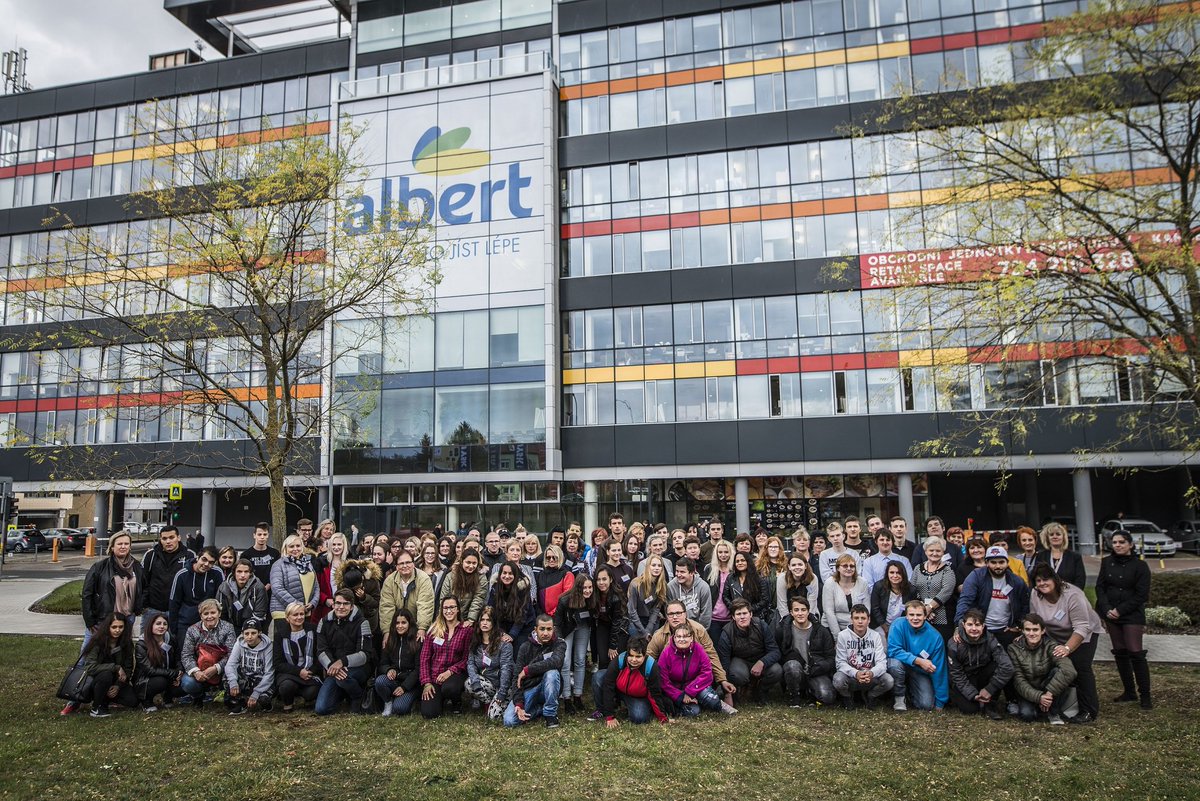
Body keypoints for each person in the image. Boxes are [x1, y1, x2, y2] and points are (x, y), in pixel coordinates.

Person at [1029, 563, 1103, 724]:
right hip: (1055, 634)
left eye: (1046, 579)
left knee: (1080, 667)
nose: (1042, 583)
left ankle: (1089, 710)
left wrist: (1068, 648)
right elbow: (1035, 619)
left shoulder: (1073, 595)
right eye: (1038, 580)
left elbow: (1082, 627)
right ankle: (1057, 706)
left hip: (1084, 634)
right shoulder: (1035, 594)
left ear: (1055, 579)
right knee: (1056, 667)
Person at [1095, 530, 1153, 709]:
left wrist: (1120, 610)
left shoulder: (1140, 566)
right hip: (1110, 613)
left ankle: (1145, 695)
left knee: (1135, 652)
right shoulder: (1106, 563)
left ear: (1130, 544)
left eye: (1121, 542)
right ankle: (1129, 691)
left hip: (1131, 613)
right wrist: (1106, 609)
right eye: (1115, 542)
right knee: (1120, 652)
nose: (1117, 545)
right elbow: (1100, 587)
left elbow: (1142, 594)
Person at [1008, 613, 1078, 724]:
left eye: (1035, 630)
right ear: (1022, 631)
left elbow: (1069, 670)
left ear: (1043, 631)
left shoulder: (1050, 645)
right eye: (1028, 629)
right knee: (1028, 716)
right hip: (1027, 689)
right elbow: (1018, 679)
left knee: (1058, 672)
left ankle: (1053, 712)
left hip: (1047, 687)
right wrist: (1039, 697)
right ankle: (1035, 707)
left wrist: (1048, 694)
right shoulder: (1013, 648)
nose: (1031, 633)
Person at [314, 588, 374, 715]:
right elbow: (321, 650)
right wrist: (331, 666)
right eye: (338, 603)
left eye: (346, 603)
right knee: (321, 709)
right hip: (334, 669)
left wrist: (342, 662)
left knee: (343, 679)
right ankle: (342, 694)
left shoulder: (363, 623)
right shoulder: (324, 622)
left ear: (352, 606)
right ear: (333, 604)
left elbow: (365, 654)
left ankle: (357, 696)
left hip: (358, 668)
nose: (341, 607)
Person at [955, 546, 1030, 648]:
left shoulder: (1017, 581)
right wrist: (959, 625)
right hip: (981, 630)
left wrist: (1019, 626)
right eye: (993, 562)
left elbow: (1025, 606)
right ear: (987, 563)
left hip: (1005, 630)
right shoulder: (976, 576)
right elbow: (965, 600)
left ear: (1007, 562)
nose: (998, 566)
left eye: (1001, 562)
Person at [658, 623, 737, 717]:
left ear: (691, 638)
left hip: (696, 687)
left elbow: (707, 673)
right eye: (678, 636)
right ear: (674, 638)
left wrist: (689, 692)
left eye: (685, 636)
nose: (681, 639)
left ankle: (718, 705)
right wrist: (680, 696)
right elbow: (663, 680)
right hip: (675, 691)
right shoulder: (666, 653)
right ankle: (681, 707)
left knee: (712, 700)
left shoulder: (699, 649)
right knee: (694, 712)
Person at [81, 531, 144, 649]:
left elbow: (143, 588)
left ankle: (117, 668)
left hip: (127, 618)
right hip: (103, 617)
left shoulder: (137, 566)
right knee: (89, 649)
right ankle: (81, 668)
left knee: (121, 649)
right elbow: (87, 594)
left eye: (126, 543)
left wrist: (139, 607)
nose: (123, 546)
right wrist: (89, 620)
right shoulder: (100, 567)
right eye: (119, 544)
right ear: (112, 547)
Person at [947, 608, 1013, 719]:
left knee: (997, 666)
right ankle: (972, 699)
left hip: (983, 676)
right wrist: (973, 695)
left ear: (983, 626)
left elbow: (1008, 666)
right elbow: (957, 674)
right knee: (970, 710)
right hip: (966, 678)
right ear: (963, 625)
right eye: (970, 624)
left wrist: (989, 689)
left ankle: (990, 703)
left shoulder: (990, 639)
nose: (974, 628)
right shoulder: (954, 644)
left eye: (977, 625)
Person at [717, 599, 783, 706]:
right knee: (737, 674)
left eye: (745, 613)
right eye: (738, 614)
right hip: (740, 661)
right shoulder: (727, 632)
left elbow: (775, 651)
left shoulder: (761, 625)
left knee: (777, 670)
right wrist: (727, 693)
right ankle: (741, 689)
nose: (742, 617)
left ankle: (761, 691)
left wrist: (762, 662)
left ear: (751, 614)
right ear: (733, 617)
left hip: (760, 659)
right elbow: (724, 663)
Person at [505, 614, 567, 728]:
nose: (545, 633)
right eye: (542, 629)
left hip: (548, 687)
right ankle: (540, 709)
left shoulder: (560, 643)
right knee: (509, 720)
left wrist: (528, 669)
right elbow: (516, 677)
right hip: (530, 688)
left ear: (553, 629)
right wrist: (519, 703)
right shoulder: (525, 647)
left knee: (552, 673)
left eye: (549, 629)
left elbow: (556, 661)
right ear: (535, 629)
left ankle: (550, 715)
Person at [595, 634, 671, 726]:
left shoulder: (651, 666)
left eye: (638, 656)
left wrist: (662, 717)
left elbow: (655, 694)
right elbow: (608, 687)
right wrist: (610, 716)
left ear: (644, 655)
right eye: (631, 655)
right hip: (618, 689)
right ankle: (602, 710)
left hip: (637, 696)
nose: (634, 659)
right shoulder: (618, 660)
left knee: (639, 718)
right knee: (599, 676)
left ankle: (638, 707)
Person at [887, 600, 949, 711]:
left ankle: (909, 692)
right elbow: (893, 651)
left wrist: (940, 702)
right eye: (911, 615)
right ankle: (899, 697)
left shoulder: (935, 637)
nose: (915, 618)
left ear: (925, 616)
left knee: (926, 705)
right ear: (906, 616)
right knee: (894, 664)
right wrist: (918, 660)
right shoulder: (897, 624)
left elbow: (939, 670)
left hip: (919, 672)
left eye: (919, 615)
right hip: (900, 665)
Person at [775, 596, 836, 707]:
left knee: (827, 696)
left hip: (816, 670)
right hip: (795, 669)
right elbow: (779, 653)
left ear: (808, 612)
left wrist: (820, 667)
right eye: (796, 610)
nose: (800, 613)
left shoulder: (821, 631)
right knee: (792, 666)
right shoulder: (783, 630)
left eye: (803, 610)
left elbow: (831, 658)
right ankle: (794, 696)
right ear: (791, 613)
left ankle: (809, 692)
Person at [418, 596, 472, 718]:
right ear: (441, 610)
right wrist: (426, 683)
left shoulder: (466, 630)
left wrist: (450, 671)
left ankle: (456, 701)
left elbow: (466, 658)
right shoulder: (434, 630)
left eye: (452, 607)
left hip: (455, 674)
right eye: (445, 608)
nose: (449, 611)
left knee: (450, 688)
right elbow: (424, 658)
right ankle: (439, 700)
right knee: (429, 713)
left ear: (458, 609)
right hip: (435, 676)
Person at [833, 604, 894, 709]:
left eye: (863, 618)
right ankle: (847, 697)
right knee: (838, 680)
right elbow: (840, 663)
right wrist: (856, 673)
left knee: (889, 680)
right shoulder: (842, 636)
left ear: (869, 620)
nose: (860, 621)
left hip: (870, 676)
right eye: (856, 618)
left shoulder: (876, 636)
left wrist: (871, 673)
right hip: (851, 676)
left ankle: (871, 696)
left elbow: (882, 663)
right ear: (851, 620)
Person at [179, 598, 237, 706]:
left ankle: (227, 696)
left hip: (222, 670)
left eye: (213, 612)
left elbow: (232, 654)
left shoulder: (228, 628)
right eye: (206, 613)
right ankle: (198, 696)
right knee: (188, 683)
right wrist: (196, 672)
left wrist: (216, 668)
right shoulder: (192, 630)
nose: (209, 616)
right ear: (201, 616)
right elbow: (186, 654)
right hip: (200, 669)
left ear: (219, 613)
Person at [80, 613, 137, 717]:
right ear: (108, 627)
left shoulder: (127, 643)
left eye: (121, 627)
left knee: (133, 701)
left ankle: (107, 699)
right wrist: (115, 667)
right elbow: (90, 667)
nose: (117, 630)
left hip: (117, 680)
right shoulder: (97, 642)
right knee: (106, 675)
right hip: (96, 679)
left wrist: (118, 686)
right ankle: (96, 707)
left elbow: (128, 668)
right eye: (114, 627)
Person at [554, 573, 597, 713]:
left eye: (590, 587)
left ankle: (578, 695)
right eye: (585, 588)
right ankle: (566, 698)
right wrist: (560, 641)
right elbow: (557, 623)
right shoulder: (565, 600)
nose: (588, 591)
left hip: (583, 627)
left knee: (580, 660)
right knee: (566, 662)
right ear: (578, 588)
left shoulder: (592, 599)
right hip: (568, 629)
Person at [140, 525, 194, 634]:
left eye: (171, 537)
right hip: (152, 609)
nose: (168, 541)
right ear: (160, 539)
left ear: (178, 538)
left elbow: (192, 583)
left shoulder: (189, 555)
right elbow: (142, 581)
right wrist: (143, 604)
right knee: (146, 645)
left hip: (178, 611)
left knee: (174, 645)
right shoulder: (151, 555)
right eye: (164, 538)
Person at [169, 547, 222, 650]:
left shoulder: (217, 573)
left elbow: (220, 600)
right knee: (185, 656)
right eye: (204, 559)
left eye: (211, 562)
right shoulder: (182, 575)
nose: (206, 564)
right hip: (185, 623)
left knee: (206, 658)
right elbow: (173, 602)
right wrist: (173, 628)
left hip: (209, 623)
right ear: (198, 557)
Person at [465, 607, 514, 720]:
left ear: (494, 622)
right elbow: (471, 663)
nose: (485, 623)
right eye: (482, 620)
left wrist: (502, 693)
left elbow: (507, 669)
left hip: (504, 686)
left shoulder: (504, 643)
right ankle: (488, 702)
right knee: (469, 683)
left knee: (494, 717)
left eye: (488, 620)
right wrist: (476, 683)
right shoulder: (475, 640)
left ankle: (503, 702)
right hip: (488, 683)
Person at [273, 602, 322, 712]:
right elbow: (278, 663)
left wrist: (310, 671)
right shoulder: (280, 635)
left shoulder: (313, 630)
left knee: (312, 692)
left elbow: (319, 655)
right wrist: (299, 672)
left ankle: (309, 700)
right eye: (295, 615)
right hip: (289, 673)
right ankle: (288, 704)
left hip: (310, 673)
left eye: (301, 614)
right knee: (286, 686)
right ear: (287, 617)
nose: (299, 617)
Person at [378, 550, 435, 642]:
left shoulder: (423, 579)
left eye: (408, 562)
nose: (405, 566)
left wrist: (422, 628)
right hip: (397, 626)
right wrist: (387, 631)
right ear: (396, 566)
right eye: (401, 563)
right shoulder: (389, 581)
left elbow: (425, 605)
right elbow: (386, 607)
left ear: (413, 564)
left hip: (416, 624)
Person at [374, 608, 421, 717]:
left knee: (399, 709)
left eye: (403, 623)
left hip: (411, 684)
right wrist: (389, 670)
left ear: (410, 624)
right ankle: (388, 701)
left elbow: (418, 669)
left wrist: (404, 687)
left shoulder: (417, 641)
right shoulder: (390, 640)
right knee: (380, 681)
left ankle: (411, 701)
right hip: (394, 680)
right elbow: (382, 664)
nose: (400, 626)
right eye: (397, 623)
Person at [224, 619, 274, 715]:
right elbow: (230, 664)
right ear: (242, 634)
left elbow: (269, 672)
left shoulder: (268, 646)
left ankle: (266, 704)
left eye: (253, 633)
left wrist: (256, 692)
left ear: (259, 633)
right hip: (246, 677)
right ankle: (240, 703)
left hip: (261, 679)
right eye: (246, 634)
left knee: (264, 699)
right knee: (227, 676)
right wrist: (233, 681)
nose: (250, 637)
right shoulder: (239, 643)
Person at [910, 536, 956, 639]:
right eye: (931, 550)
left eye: (938, 551)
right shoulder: (918, 568)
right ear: (925, 551)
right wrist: (923, 608)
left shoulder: (948, 570)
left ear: (943, 552)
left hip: (942, 617)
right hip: (920, 615)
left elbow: (946, 591)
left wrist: (929, 608)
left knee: (939, 646)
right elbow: (912, 589)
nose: (934, 553)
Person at [134, 612, 180, 712]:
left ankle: (168, 698)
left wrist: (179, 672)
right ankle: (146, 701)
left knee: (184, 683)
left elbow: (177, 659)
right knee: (161, 681)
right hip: (145, 680)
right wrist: (173, 673)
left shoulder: (171, 639)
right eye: (158, 624)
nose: (162, 626)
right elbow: (149, 670)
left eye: (165, 624)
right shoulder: (141, 644)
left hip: (167, 674)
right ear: (151, 625)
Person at [269, 535, 320, 624]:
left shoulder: (308, 564)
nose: (295, 549)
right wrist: (297, 605)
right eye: (291, 546)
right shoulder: (278, 565)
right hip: (283, 612)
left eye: (298, 546)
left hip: (304, 612)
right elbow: (277, 588)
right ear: (285, 548)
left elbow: (316, 586)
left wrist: (313, 603)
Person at [592, 565, 630, 676]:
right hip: (603, 625)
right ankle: (601, 684)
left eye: (604, 579)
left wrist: (613, 646)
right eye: (598, 579)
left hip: (618, 628)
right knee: (603, 659)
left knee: (614, 658)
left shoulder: (616, 597)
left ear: (611, 579)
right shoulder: (594, 594)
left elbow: (617, 622)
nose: (601, 582)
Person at [822, 554, 871, 637]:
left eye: (852, 566)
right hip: (831, 627)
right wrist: (837, 636)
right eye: (845, 566)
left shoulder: (862, 583)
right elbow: (829, 611)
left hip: (856, 627)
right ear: (837, 568)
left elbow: (866, 610)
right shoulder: (829, 583)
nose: (849, 568)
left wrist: (858, 630)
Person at [335, 558, 383, 643]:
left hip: (369, 619)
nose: (356, 589)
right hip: (350, 622)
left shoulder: (372, 582)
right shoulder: (343, 584)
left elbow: (376, 602)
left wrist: (364, 597)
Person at [215, 559, 268, 633]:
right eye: (239, 571)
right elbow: (220, 612)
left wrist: (247, 631)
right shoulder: (224, 587)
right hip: (229, 627)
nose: (242, 575)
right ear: (234, 573)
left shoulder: (259, 587)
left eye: (246, 572)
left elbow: (259, 614)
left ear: (251, 573)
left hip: (252, 628)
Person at [488, 561, 536, 643]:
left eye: (510, 573)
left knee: (517, 647)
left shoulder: (523, 588)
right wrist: (501, 632)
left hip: (523, 626)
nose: (507, 576)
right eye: (504, 573)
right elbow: (491, 610)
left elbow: (522, 614)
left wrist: (512, 635)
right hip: (503, 623)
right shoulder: (495, 587)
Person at [723, 551, 773, 626]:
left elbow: (765, 600)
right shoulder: (731, 578)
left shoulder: (759, 579)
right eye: (737, 561)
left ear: (748, 561)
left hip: (756, 618)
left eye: (743, 560)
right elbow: (725, 596)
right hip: (737, 618)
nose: (740, 563)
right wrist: (734, 608)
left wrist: (748, 610)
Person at [1035, 521, 1087, 589]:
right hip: (1047, 595)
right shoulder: (1041, 556)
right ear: (1047, 538)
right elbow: (1037, 577)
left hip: (1070, 595)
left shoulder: (1075, 557)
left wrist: (1072, 594)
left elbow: (1080, 580)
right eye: (1051, 535)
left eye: (1058, 534)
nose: (1055, 537)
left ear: (1063, 537)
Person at [870, 562, 917, 637]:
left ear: (903, 574)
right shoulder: (879, 586)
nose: (895, 576)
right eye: (892, 572)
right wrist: (886, 629)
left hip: (902, 625)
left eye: (898, 573)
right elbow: (875, 609)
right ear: (887, 574)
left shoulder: (911, 590)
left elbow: (911, 611)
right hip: (880, 625)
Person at [627, 553, 668, 638]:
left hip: (651, 621)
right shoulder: (636, 584)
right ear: (648, 567)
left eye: (659, 565)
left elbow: (656, 609)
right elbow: (632, 611)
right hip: (636, 621)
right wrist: (643, 632)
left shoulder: (662, 585)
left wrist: (648, 630)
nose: (656, 568)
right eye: (653, 565)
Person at [666, 557, 712, 629]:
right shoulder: (670, 587)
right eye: (677, 571)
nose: (678, 574)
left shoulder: (703, 587)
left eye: (682, 572)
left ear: (691, 573)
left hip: (698, 629)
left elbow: (706, 614)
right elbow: (669, 613)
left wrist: (700, 632)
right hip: (677, 630)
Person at [314, 532, 350, 617]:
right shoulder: (321, 562)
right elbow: (315, 586)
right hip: (325, 607)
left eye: (339, 544)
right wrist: (325, 599)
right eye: (333, 544)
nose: (336, 547)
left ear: (344, 546)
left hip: (345, 606)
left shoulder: (350, 564)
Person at [775, 555, 819, 622]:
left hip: (808, 613)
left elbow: (812, 602)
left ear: (805, 566)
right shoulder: (782, 578)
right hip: (786, 613)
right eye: (794, 565)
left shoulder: (812, 578)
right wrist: (788, 621)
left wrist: (806, 619)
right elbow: (782, 603)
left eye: (800, 564)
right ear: (789, 567)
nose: (797, 567)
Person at [535, 545, 576, 617]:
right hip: (542, 618)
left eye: (554, 557)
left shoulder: (567, 575)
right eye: (548, 557)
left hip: (560, 617)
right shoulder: (540, 575)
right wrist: (541, 615)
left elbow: (567, 598)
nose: (551, 560)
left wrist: (553, 614)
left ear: (560, 557)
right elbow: (536, 598)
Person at [240, 522, 280, 592]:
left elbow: (277, 573)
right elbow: (243, 573)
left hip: (272, 590)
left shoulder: (275, 553)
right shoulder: (246, 555)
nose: (262, 537)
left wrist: (269, 585)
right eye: (259, 534)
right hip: (251, 590)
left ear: (268, 535)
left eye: (265, 534)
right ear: (254, 535)